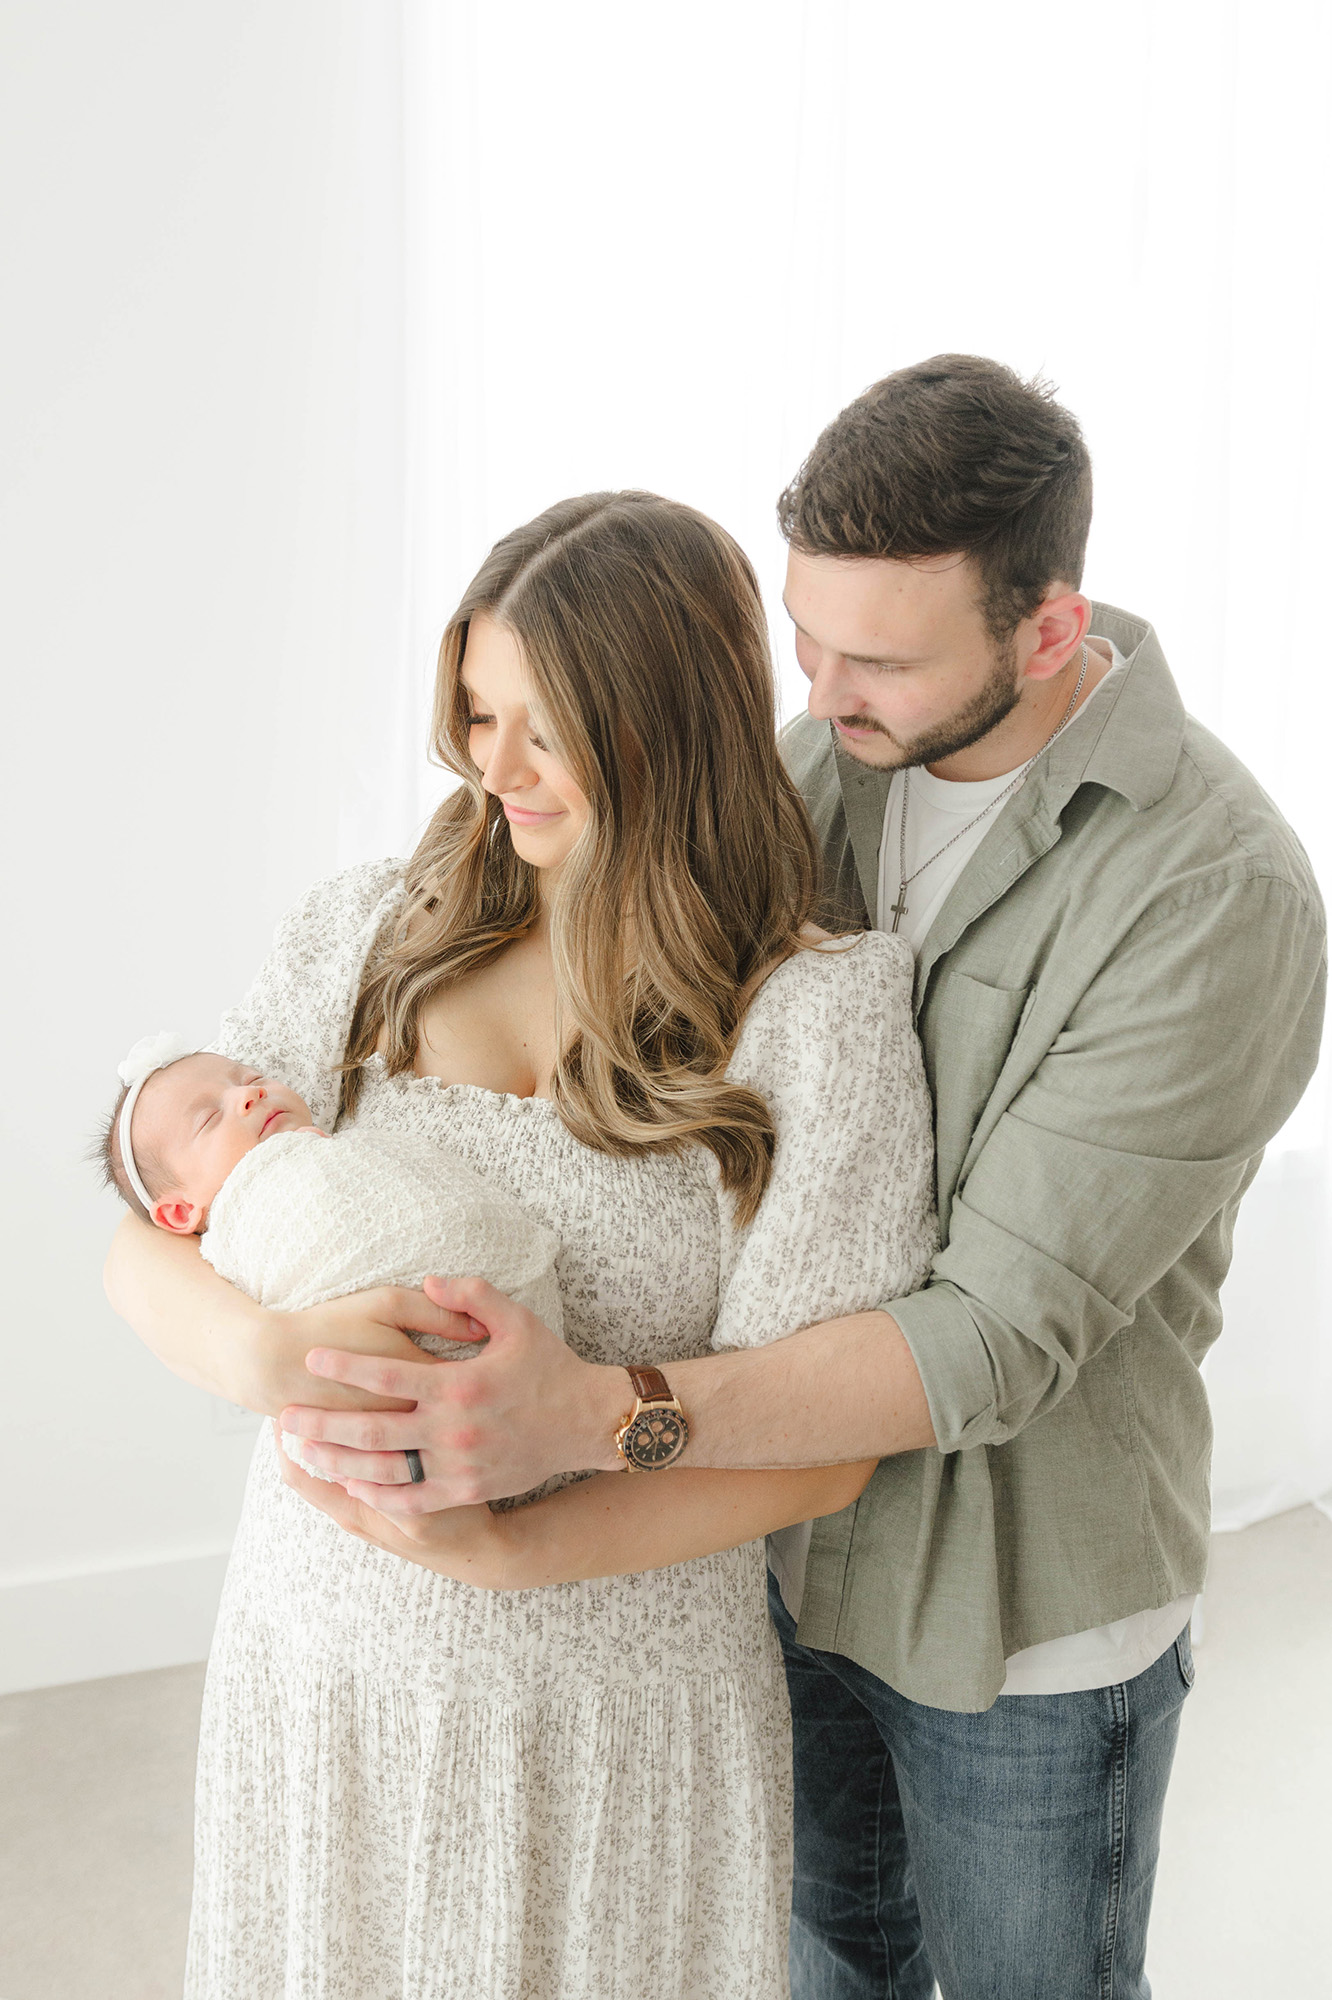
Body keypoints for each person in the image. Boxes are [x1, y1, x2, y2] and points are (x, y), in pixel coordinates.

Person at [271, 360, 1326, 1999]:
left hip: (1011, 1616)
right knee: (831, 1964)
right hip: (763, 1575)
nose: (821, 686)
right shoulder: (815, 765)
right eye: (806, 633)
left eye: (880, 657)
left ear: (1052, 628)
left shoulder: (1212, 895)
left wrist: (586, 1416)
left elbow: (987, 1336)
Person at [103, 491, 937, 2000]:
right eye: (477, 714)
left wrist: (508, 1551)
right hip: (323, 1674)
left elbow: (825, 1452)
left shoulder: (815, 1019)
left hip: (609, 1724)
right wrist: (267, 1351)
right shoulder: (373, 932)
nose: (491, 769)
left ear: (668, 728)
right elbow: (148, 1236)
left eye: (542, 728)